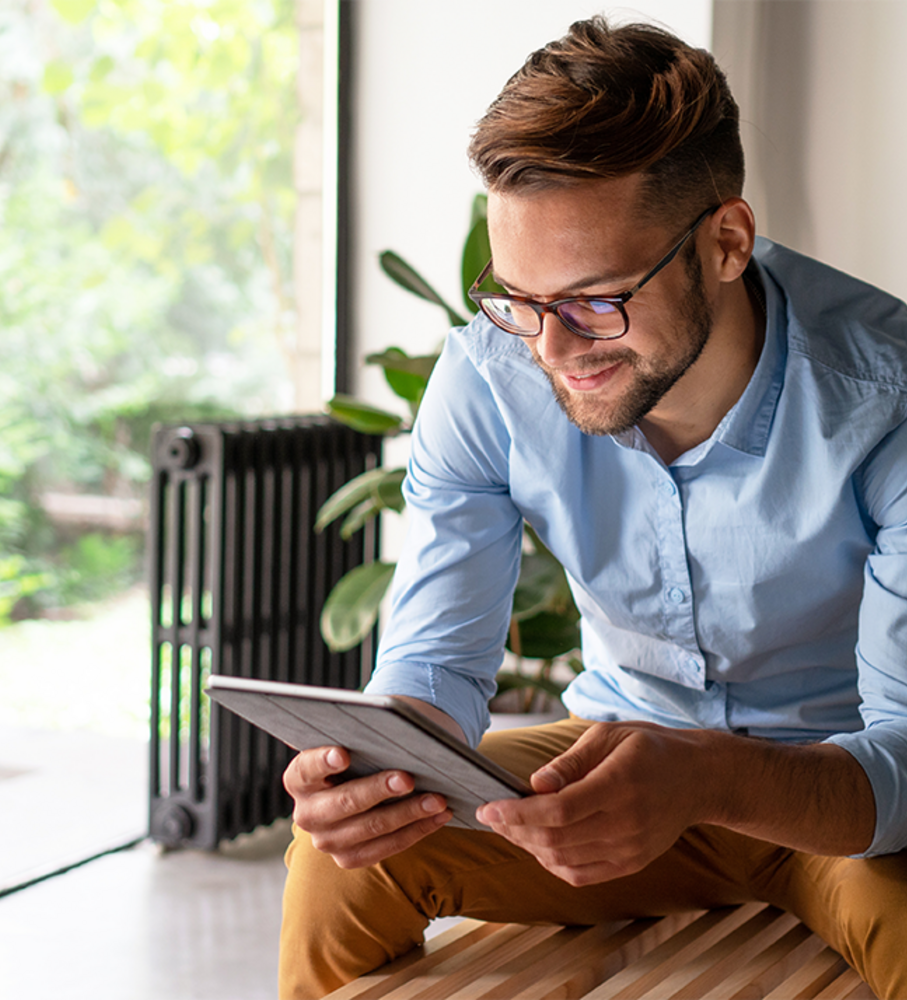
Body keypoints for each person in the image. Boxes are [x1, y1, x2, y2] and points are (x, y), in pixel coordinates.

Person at [279, 17, 907, 1000]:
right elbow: (436, 664)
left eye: (596, 300)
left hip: (833, 799)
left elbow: (904, 764)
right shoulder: (487, 380)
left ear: (726, 241)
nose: (551, 347)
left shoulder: (887, 399)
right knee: (343, 859)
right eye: (520, 300)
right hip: (607, 767)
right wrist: (378, 770)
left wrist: (706, 776)